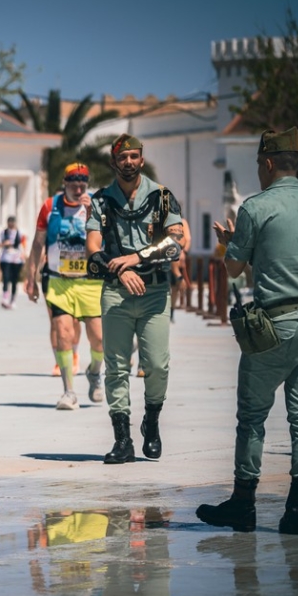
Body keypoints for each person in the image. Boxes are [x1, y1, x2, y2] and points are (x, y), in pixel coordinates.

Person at [196, 127, 298, 535]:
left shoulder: (256, 208)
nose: (259, 170)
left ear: (269, 163)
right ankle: (297, 510)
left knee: (252, 418)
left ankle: (243, 504)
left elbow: (234, 269)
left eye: (260, 164)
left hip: (274, 328)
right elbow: (290, 265)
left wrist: (232, 243)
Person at [86, 134, 184, 463]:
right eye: (122, 157)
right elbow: (93, 250)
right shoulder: (101, 200)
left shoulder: (162, 197)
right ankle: (123, 439)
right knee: (116, 367)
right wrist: (121, 271)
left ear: (141, 159)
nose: (128, 162)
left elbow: (176, 243)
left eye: (133, 156)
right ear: (113, 162)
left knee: (156, 364)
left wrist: (137, 258)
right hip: (116, 291)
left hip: (154, 291)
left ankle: (151, 422)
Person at [26, 163, 104, 410]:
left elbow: (107, 240)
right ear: (65, 183)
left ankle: (94, 372)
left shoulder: (97, 205)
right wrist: (30, 278)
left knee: (100, 339)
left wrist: (92, 214)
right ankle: (69, 391)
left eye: (83, 184)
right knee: (63, 333)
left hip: (90, 282)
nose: (79, 189)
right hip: (58, 280)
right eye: (74, 184)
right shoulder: (51, 207)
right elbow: (37, 244)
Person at [0, 215, 25, 309]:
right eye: (10, 222)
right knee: (6, 277)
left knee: (14, 280)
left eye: (13, 222)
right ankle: (5, 297)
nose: (11, 224)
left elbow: (23, 244)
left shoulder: (20, 233)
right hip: (6, 258)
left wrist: (23, 254)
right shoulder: (3, 233)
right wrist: (4, 244)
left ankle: (13, 300)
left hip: (16, 258)